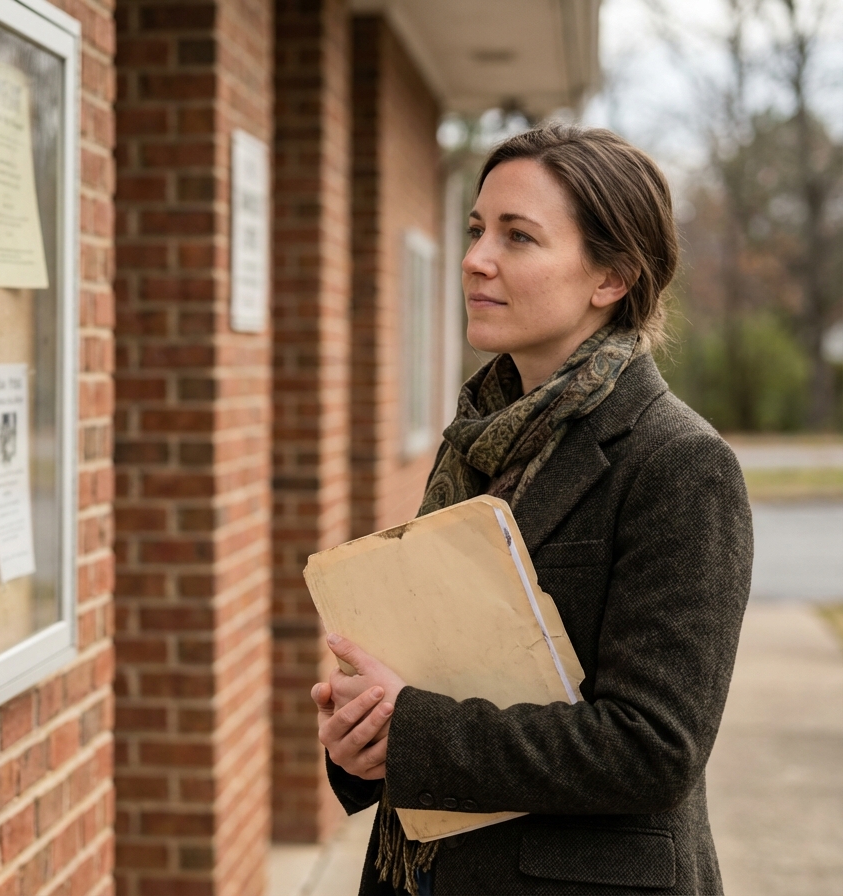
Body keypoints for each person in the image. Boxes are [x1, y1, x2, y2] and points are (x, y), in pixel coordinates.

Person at [312, 123, 753, 896]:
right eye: (478, 229)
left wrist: (410, 729)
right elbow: (439, 670)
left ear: (611, 277)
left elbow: (654, 748)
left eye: (519, 237)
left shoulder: (679, 463)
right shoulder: (480, 441)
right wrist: (362, 738)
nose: (476, 259)